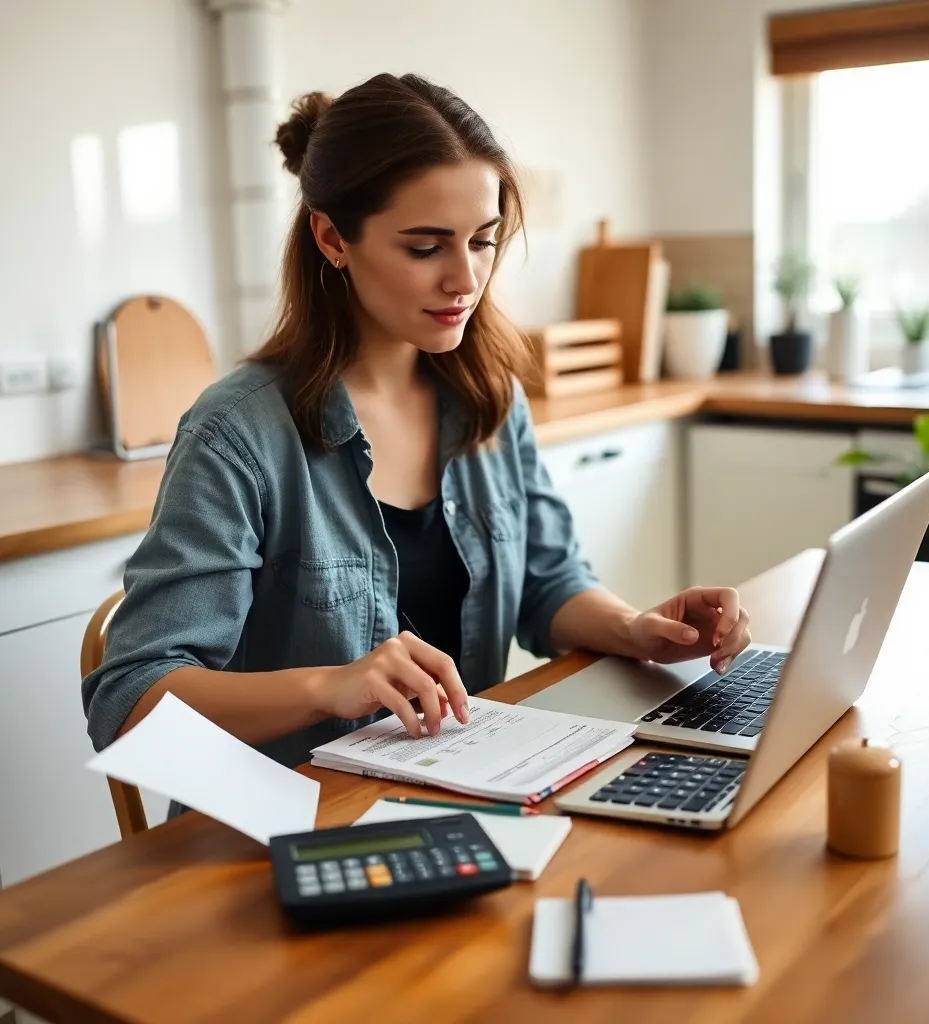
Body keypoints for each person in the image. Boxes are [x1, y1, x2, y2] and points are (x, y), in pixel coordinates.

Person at [82, 73, 751, 776]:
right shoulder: (237, 435)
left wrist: (636, 628)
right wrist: (328, 686)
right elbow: (128, 699)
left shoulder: (489, 394)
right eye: (426, 247)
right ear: (332, 237)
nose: (465, 278)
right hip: (293, 828)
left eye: (483, 241)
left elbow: (547, 581)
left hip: (471, 793)